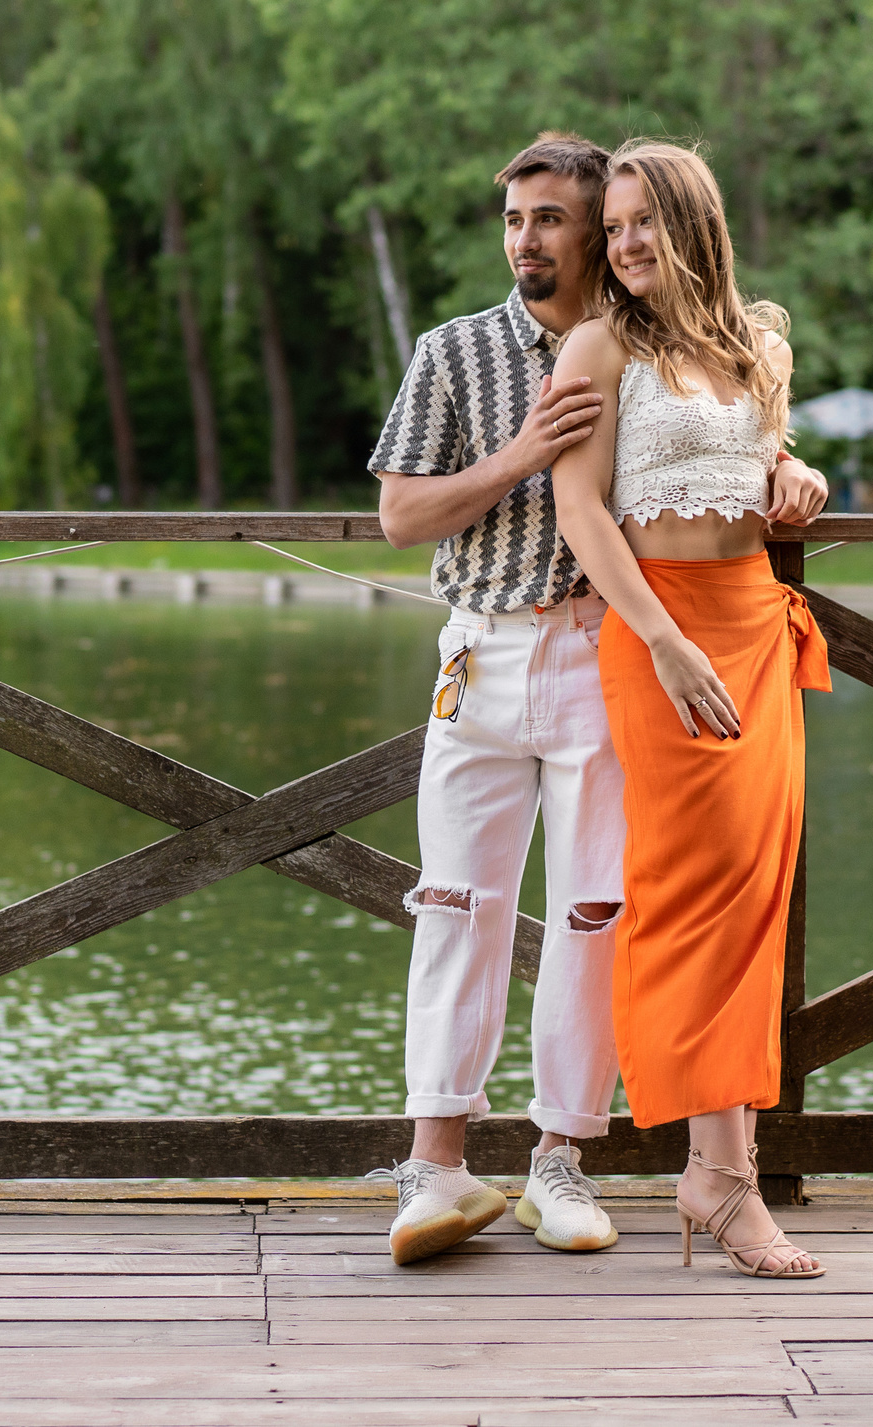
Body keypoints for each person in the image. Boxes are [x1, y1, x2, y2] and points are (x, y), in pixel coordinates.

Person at [548, 139, 833, 1280]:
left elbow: (763, 467)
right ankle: (722, 1179)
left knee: (756, 891)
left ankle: (720, 1176)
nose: (619, 246)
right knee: (692, 891)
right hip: (659, 634)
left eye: (637, 224)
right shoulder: (597, 343)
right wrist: (661, 644)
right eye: (609, 229)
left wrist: (798, 480)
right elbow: (579, 508)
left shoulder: (761, 343)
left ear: (691, 221)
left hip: (755, 624)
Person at [365, 132, 625, 1265]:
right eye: (514, 219)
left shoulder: (644, 350)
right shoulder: (454, 352)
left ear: (597, 230)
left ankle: (558, 1163)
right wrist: (519, 455)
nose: (526, 238)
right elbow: (401, 516)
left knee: (589, 916)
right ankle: (436, 1169)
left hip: (597, 657)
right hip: (477, 657)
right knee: (455, 905)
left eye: (550, 219)